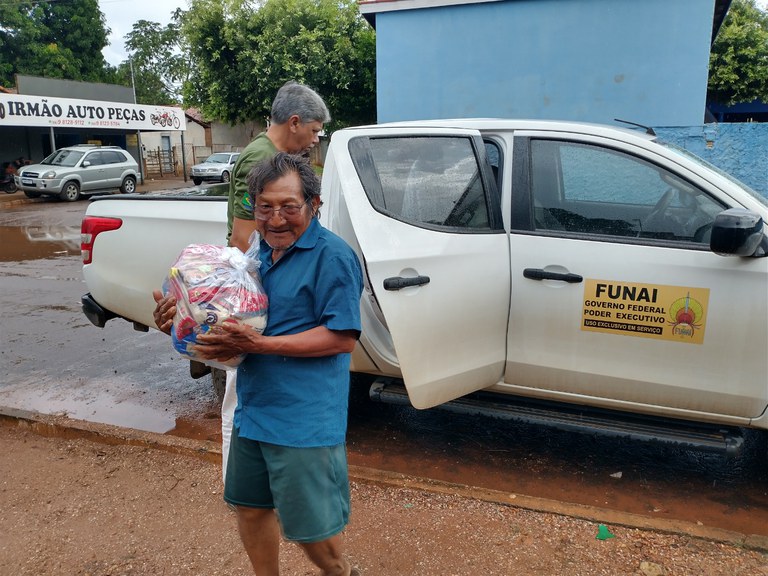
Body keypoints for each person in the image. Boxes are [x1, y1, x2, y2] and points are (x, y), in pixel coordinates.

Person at [155, 152, 363, 576]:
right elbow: (233, 325)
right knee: (249, 509)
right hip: (253, 410)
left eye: (289, 206)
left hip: (303, 418)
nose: (276, 219)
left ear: (314, 205)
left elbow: (342, 338)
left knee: (312, 532)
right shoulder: (256, 253)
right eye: (265, 207)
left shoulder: (333, 257)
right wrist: (180, 324)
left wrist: (261, 344)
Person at [216, 81, 330, 481]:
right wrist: (254, 305)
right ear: (295, 122)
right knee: (239, 396)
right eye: (315, 130)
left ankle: (255, 482)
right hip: (252, 294)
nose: (316, 139)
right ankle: (239, 483)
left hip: (265, 290)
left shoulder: (276, 157)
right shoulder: (260, 159)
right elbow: (244, 240)